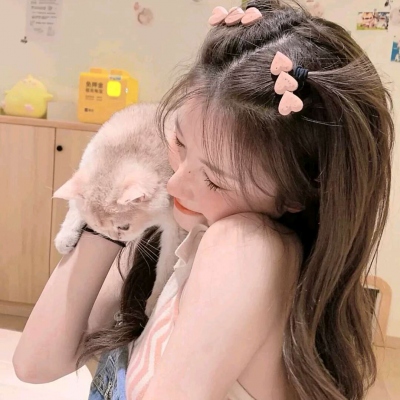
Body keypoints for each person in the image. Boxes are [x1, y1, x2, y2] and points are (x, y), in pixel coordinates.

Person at [13, 1, 394, 399]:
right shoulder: (180, 232)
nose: (176, 184)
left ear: (296, 196)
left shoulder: (244, 246)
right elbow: (36, 362)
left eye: (213, 180)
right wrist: (101, 206)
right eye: (179, 141)